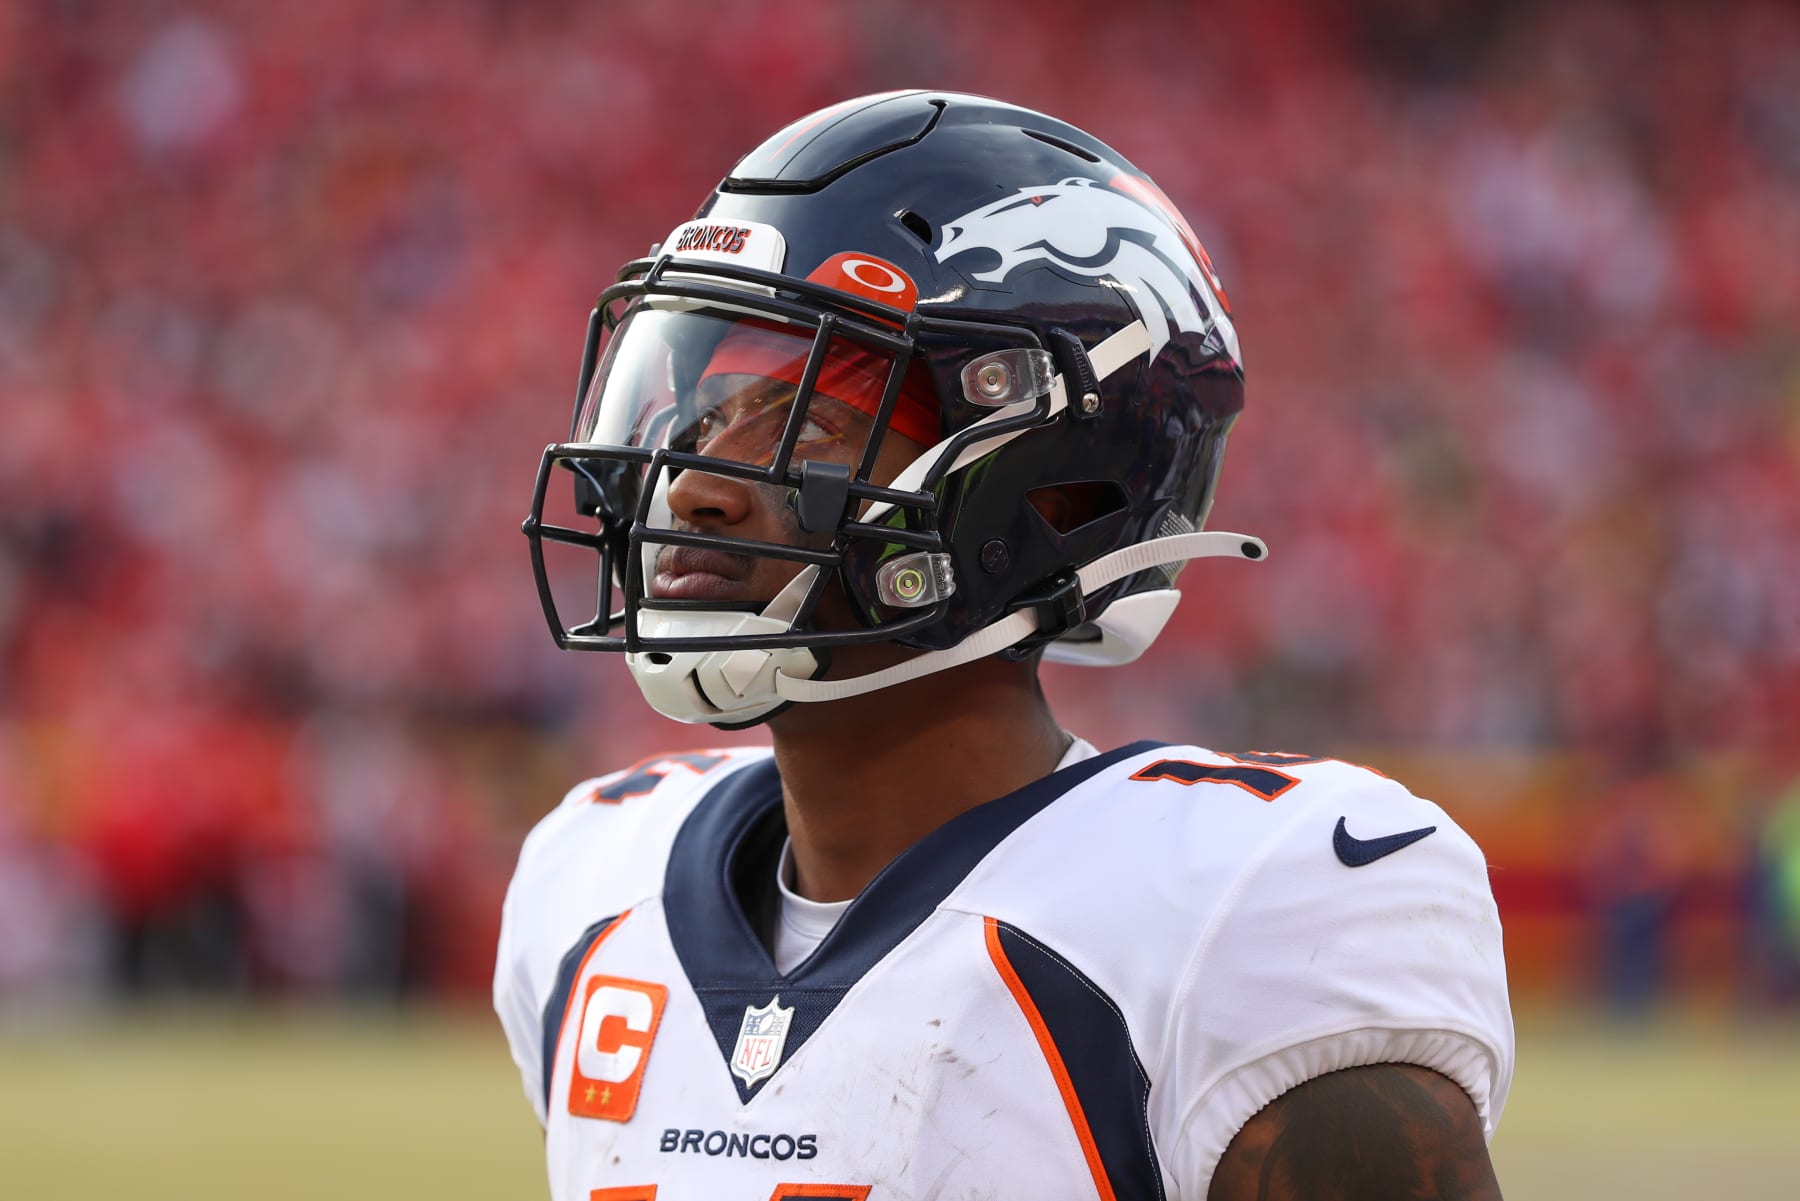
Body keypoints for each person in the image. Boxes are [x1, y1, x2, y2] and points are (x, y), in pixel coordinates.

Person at [497, 90, 1513, 1200]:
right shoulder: (592, 881)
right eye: (692, 422)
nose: (691, 489)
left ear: (1043, 483)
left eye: (807, 426)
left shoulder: (1239, 911)